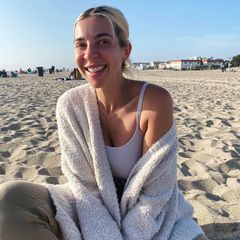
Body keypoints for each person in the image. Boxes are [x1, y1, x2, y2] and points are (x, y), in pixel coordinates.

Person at [0, 6, 207, 240]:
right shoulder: (71, 105)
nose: (90, 54)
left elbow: (155, 195)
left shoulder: (154, 101)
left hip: (152, 215)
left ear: (125, 50)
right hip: (89, 207)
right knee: (10, 197)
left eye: (103, 42)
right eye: (81, 44)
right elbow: (85, 189)